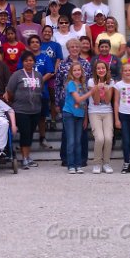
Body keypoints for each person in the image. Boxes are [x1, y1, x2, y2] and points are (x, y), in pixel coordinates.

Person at [55, 38, 91, 167]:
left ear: (80, 48)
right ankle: (66, 158)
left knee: (82, 130)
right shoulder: (63, 64)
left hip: (82, 100)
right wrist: (57, 102)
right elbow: (58, 84)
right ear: (68, 49)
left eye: (77, 46)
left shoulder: (86, 64)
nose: (75, 49)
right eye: (72, 47)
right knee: (67, 132)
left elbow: (89, 83)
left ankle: (82, 158)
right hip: (66, 100)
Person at [6, 50, 44, 170]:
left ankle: (27, 157)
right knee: (25, 133)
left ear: (34, 62)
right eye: (26, 61)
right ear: (22, 62)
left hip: (35, 110)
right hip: (21, 110)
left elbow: (41, 88)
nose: (29, 63)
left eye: (31, 60)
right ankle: (24, 158)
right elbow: (10, 90)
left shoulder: (38, 75)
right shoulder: (17, 75)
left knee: (31, 133)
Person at [26, 35, 55, 152]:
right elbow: (20, 70)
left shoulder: (45, 57)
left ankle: (42, 138)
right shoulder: (25, 57)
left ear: (40, 44)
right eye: (32, 42)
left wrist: (38, 81)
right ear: (29, 45)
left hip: (42, 91)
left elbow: (50, 72)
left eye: (37, 42)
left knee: (41, 116)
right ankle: (27, 140)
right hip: (26, 92)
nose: (34, 44)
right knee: (27, 117)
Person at [63, 63, 93, 174]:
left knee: (78, 141)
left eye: (79, 70)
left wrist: (85, 118)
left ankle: (78, 164)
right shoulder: (71, 84)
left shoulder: (83, 84)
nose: (77, 72)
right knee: (71, 141)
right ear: (71, 72)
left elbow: (84, 104)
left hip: (80, 115)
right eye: (74, 70)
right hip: (69, 114)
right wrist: (91, 92)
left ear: (82, 71)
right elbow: (78, 99)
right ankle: (71, 165)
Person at [88, 61, 115, 174]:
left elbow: (108, 100)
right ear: (95, 70)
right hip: (94, 112)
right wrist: (98, 89)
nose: (101, 70)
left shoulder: (111, 82)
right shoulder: (91, 81)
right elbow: (96, 101)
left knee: (108, 138)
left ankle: (106, 163)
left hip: (107, 112)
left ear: (106, 69)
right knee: (100, 138)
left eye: (103, 68)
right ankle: (97, 163)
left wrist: (107, 89)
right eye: (98, 68)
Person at [40, 25, 63, 130]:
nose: (47, 33)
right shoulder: (38, 44)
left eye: (49, 31)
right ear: (42, 32)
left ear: (52, 33)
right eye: (45, 31)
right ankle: (43, 120)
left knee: (53, 99)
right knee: (42, 99)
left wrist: (54, 71)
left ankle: (53, 120)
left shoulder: (56, 45)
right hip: (41, 76)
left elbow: (58, 59)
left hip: (53, 76)